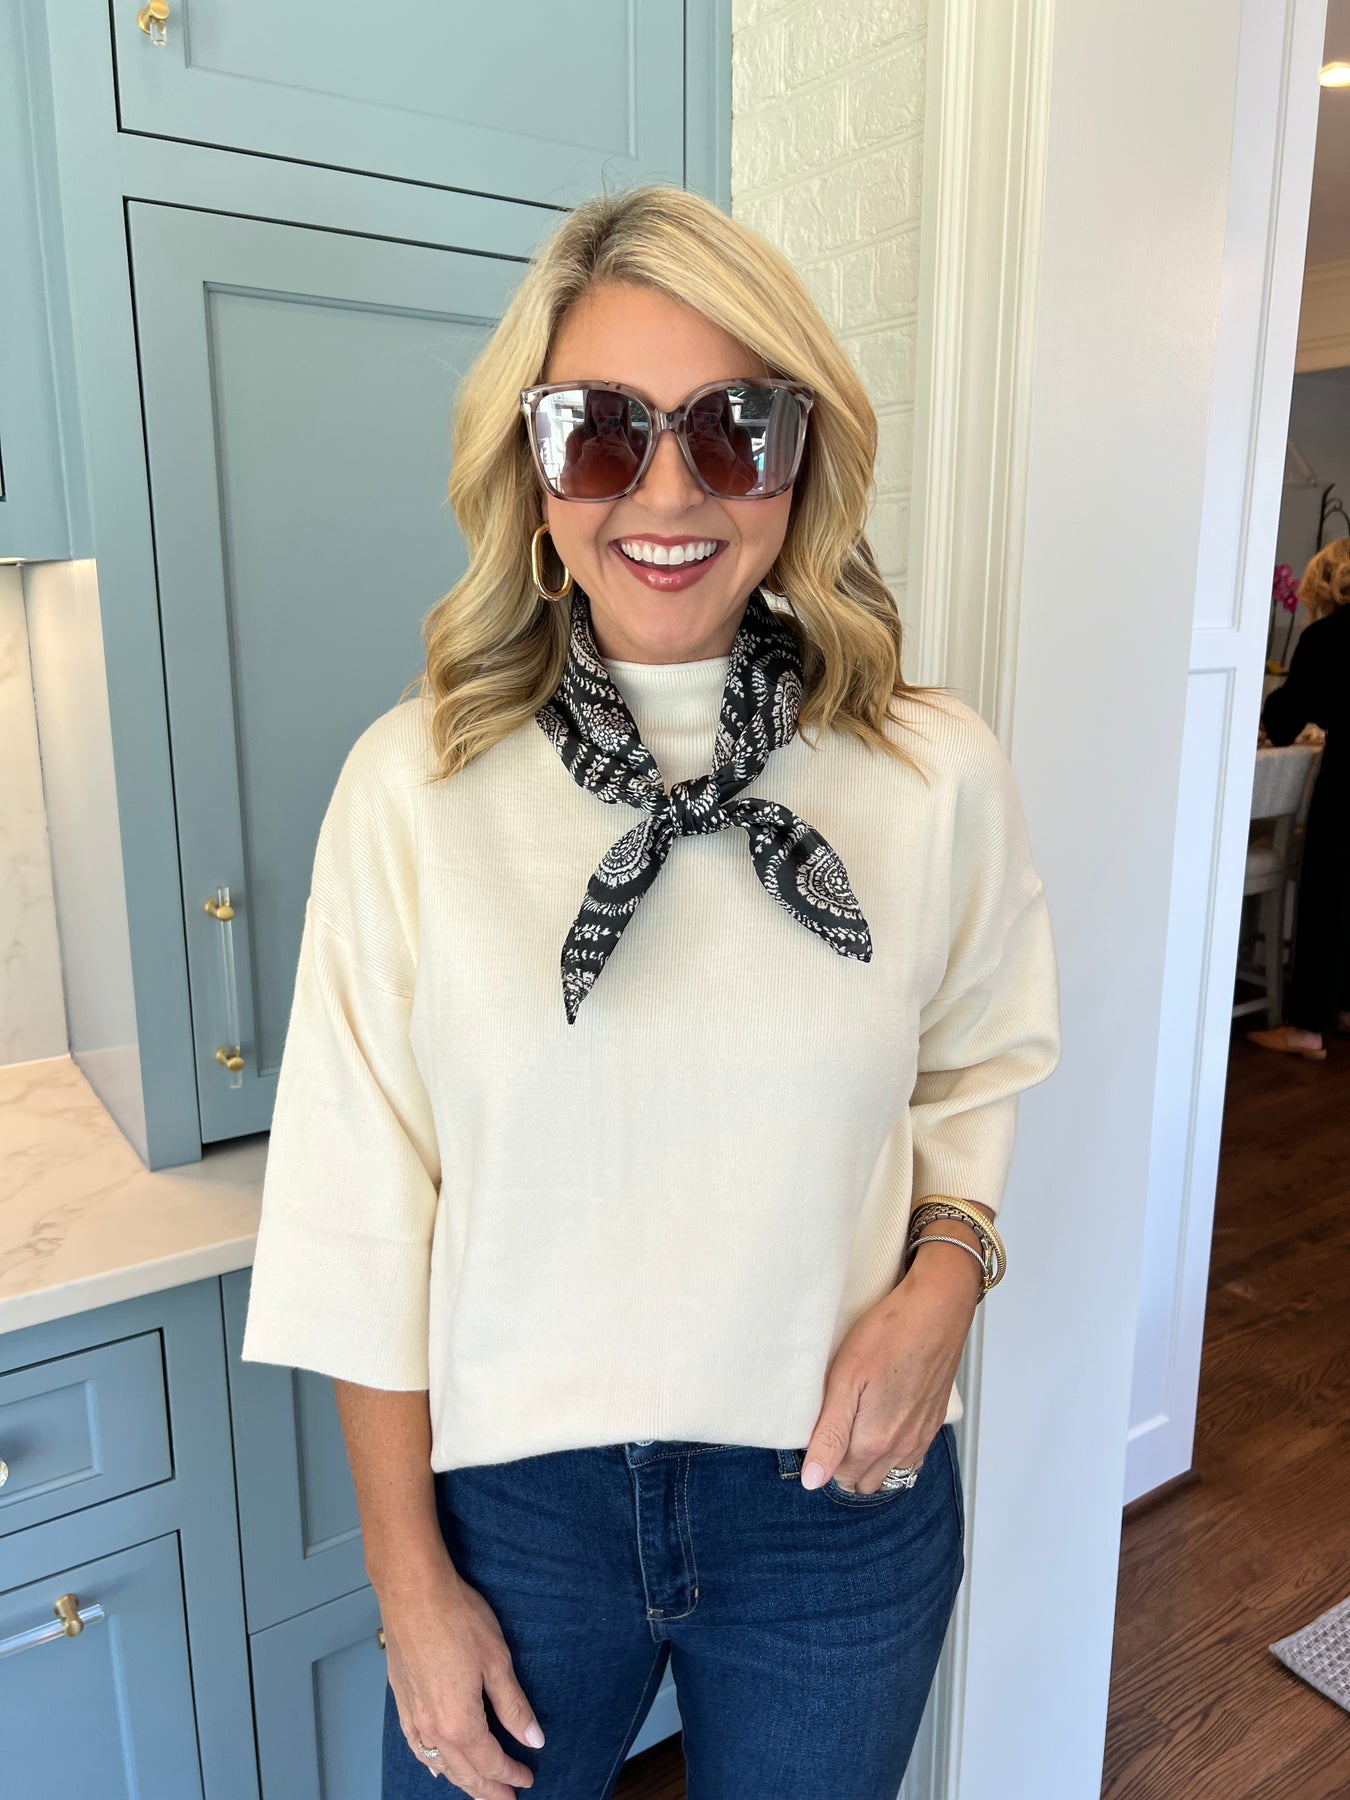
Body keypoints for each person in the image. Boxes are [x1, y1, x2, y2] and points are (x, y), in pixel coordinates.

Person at [239, 185, 1064, 1800]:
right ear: (530, 468)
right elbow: (357, 1206)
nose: (669, 491)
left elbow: (976, 1068)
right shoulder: (413, 787)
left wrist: (947, 1280)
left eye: (733, 430)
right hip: (513, 1512)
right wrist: (408, 1584)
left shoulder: (930, 772)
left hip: (836, 1506)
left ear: (801, 457)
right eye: (602, 431)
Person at [1247, 537, 1350, 1061]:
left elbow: (1286, 719)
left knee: (1327, 893)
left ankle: (1307, 1027)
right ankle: (1344, 1008)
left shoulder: (1325, 637)